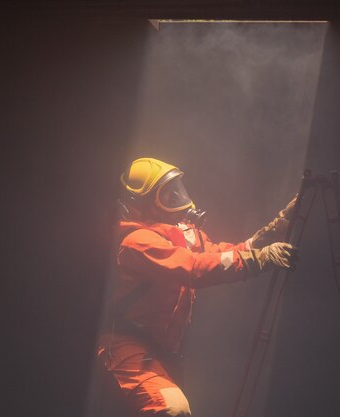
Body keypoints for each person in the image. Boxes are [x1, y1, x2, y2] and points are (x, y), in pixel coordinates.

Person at [97, 157, 298, 417]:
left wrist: (272, 231)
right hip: (126, 346)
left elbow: (219, 254)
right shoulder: (137, 242)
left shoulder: (176, 235)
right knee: (172, 409)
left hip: (160, 350)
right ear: (145, 205)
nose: (179, 200)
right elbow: (194, 267)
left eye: (176, 191)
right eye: (167, 196)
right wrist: (259, 259)